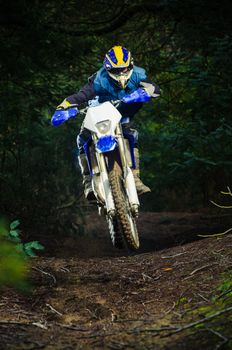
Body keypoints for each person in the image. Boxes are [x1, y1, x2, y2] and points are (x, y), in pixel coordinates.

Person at [57, 45, 160, 200]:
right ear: (107, 69)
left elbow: (154, 88)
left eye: (124, 69)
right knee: (83, 139)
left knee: (131, 134)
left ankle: (135, 179)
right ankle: (88, 183)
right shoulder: (99, 79)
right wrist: (63, 107)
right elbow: (82, 95)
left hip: (123, 112)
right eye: (116, 70)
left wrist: (144, 92)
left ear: (130, 66)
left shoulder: (139, 74)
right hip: (99, 111)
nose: (121, 73)